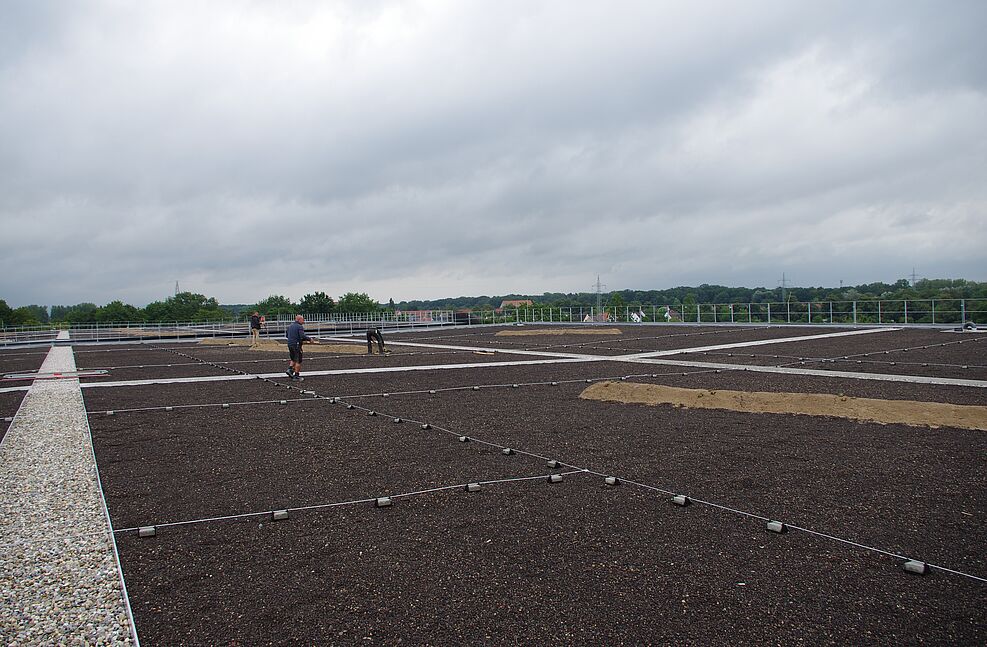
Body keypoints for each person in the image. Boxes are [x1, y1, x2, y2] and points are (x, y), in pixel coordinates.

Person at [285, 315, 319, 381]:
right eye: (303, 320)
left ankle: (290, 369)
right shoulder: (299, 327)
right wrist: (310, 339)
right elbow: (302, 336)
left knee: (293, 358)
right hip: (297, 345)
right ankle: (296, 376)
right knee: (298, 361)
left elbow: (287, 336)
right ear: (299, 319)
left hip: (290, 344)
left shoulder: (290, 326)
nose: (303, 321)